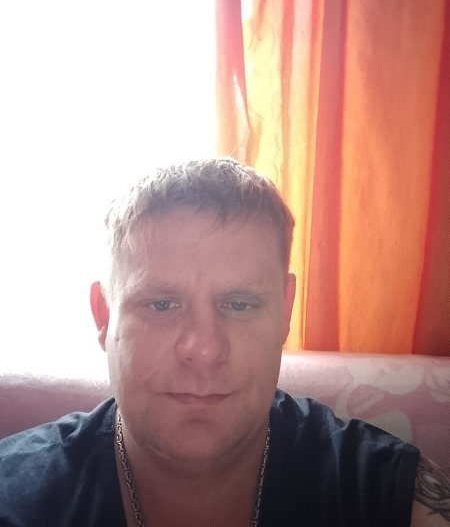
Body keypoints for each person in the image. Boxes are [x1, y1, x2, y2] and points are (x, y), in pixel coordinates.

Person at [0, 158, 448, 527]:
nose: (205, 349)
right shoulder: (15, 496)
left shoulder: (385, 496)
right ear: (104, 316)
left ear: (284, 312)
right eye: (161, 305)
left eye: (239, 304)